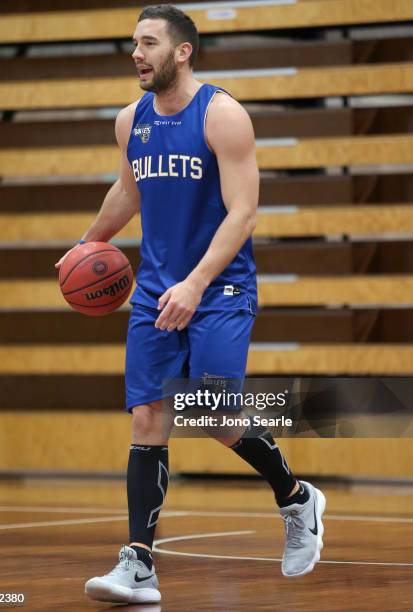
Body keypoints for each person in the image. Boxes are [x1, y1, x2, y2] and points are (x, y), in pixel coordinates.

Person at [56, 4, 325, 605]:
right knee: (149, 418)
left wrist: (198, 283)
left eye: (149, 42)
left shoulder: (223, 116)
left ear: (183, 51)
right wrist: (87, 243)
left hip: (221, 288)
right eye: (133, 42)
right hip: (155, 290)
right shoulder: (132, 120)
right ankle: (140, 565)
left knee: (213, 416)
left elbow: (244, 213)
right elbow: (129, 189)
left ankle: (297, 497)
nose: (136, 53)